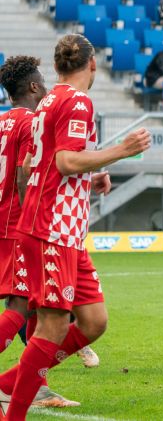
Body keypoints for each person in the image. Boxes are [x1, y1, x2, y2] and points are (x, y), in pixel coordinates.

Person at [0, 35, 150, 420]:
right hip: (51, 227)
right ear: (93, 65)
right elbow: (66, 161)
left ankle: (9, 383)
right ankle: (12, 413)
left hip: (61, 229)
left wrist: (92, 176)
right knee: (49, 326)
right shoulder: (77, 101)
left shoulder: (49, 102)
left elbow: (46, 163)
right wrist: (122, 150)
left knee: (94, 321)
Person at [0, 56, 81, 409]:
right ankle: (27, 387)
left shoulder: (2, 120)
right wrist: (30, 223)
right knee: (20, 305)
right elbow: (22, 176)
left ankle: (39, 387)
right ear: (33, 87)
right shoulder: (31, 121)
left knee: (36, 307)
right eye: (42, 82)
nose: (46, 87)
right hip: (18, 225)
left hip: (4, 221)